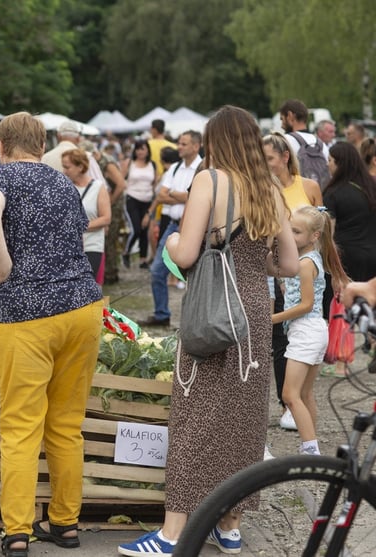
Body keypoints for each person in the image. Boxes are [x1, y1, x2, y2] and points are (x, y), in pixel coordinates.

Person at [118, 105, 298, 556]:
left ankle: (173, 534)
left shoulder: (209, 181)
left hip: (213, 311)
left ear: (215, 141)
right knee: (242, 422)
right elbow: (290, 265)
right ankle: (229, 525)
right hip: (254, 315)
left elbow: (184, 254)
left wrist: (176, 242)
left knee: (195, 418)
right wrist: (259, 261)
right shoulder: (270, 190)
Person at [0, 112, 103, 557]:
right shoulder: (63, 183)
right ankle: (65, 524)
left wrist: (3, 267)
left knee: (21, 426)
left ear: (2, 144)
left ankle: (17, 532)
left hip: (25, 312)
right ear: (43, 143)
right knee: (67, 425)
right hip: (83, 307)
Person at [262, 131, 324, 430]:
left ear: (285, 157)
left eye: (270, 158)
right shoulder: (263, 190)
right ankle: (286, 403)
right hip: (277, 267)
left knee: (298, 327)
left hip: (304, 268)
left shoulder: (308, 186)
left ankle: (295, 401)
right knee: (279, 340)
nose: (265, 164)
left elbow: (322, 229)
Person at [272, 206, 346, 457]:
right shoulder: (310, 258)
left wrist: (272, 318)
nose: (290, 236)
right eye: (289, 229)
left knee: (289, 395)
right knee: (304, 393)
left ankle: (310, 450)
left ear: (314, 236)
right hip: (314, 329)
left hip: (306, 330)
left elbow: (305, 304)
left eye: (297, 232)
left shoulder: (305, 264)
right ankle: (310, 445)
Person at [142, 131, 202, 328]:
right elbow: (161, 195)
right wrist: (183, 195)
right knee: (157, 270)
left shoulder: (202, 168)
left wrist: (175, 195)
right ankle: (162, 313)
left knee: (194, 275)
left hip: (195, 227)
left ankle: (194, 319)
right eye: (179, 142)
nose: (179, 146)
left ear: (196, 146)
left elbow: (196, 197)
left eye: (184, 143)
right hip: (172, 225)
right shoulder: (175, 168)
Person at [324, 142, 376, 284]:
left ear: (340, 164)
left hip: (346, 259)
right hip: (372, 254)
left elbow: (329, 234)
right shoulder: (371, 187)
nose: (327, 165)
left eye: (329, 160)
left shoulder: (332, 193)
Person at [61, 148, 111, 282]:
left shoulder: (98, 187)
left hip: (92, 246)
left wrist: (78, 226)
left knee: (88, 284)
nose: (64, 171)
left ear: (80, 167)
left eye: (67, 167)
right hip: (68, 247)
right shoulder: (64, 187)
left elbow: (106, 218)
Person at [87, 142, 126, 284]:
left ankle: (111, 273)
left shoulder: (106, 162)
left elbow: (121, 184)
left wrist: (109, 202)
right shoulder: (101, 161)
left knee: (110, 240)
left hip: (114, 207)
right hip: (108, 204)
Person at [120, 139, 156, 269]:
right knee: (135, 228)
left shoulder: (152, 165)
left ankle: (143, 259)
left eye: (143, 149)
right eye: (138, 148)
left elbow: (154, 183)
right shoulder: (129, 163)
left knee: (144, 230)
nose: (140, 151)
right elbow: (120, 178)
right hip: (132, 198)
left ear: (147, 150)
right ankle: (126, 252)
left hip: (147, 199)